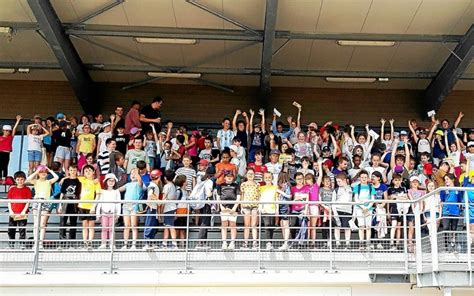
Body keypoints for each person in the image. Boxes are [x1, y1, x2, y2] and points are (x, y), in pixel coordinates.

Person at [26, 165, 59, 249]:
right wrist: (37, 171)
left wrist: (49, 169)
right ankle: (35, 243)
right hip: (37, 201)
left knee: (43, 223)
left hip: (46, 202)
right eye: (42, 172)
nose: (43, 173)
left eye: (44, 172)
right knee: (36, 223)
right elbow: (28, 179)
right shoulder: (36, 181)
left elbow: (56, 177)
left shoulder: (48, 181)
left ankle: (40, 243)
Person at [78, 165, 102, 249]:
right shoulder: (82, 179)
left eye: (90, 170)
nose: (88, 172)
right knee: (84, 225)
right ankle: (85, 242)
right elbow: (73, 176)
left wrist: (93, 206)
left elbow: (98, 195)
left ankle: (90, 242)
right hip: (82, 206)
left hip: (91, 206)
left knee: (91, 225)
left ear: (93, 172)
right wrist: (63, 179)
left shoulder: (96, 182)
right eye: (86, 171)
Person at [118, 168, 142, 250]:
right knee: (126, 225)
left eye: (135, 173)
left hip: (134, 206)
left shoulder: (138, 184)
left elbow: (140, 182)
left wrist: (137, 174)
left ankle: (134, 244)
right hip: (125, 206)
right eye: (132, 173)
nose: (133, 175)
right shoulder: (127, 184)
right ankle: (125, 244)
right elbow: (118, 190)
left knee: (134, 225)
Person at [58, 165, 82, 248]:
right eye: (71, 170)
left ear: (77, 171)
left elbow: (80, 193)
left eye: (74, 170)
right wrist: (60, 205)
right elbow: (62, 193)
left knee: (73, 223)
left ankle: (72, 242)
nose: (72, 172)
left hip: (74, 202)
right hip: (65, 201)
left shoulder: (79, 181)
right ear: (68, 171)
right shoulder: (66, 180)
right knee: (63, 222)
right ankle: (62, 243)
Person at [96, 173, 121, 249]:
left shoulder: (116, 191)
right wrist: (98, 213)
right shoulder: (103, 191)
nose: (111, 182)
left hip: (113, 213)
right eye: (109, 180)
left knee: (111, 229)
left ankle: (111, 244)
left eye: (113, 181)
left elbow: (118, 203)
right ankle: (103, 243)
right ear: (106, 181)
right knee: (104, 228)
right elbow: (100, 202)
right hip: (104, 212)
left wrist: (118, 213)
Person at [7, 171, 31, 249]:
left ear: (24, 180)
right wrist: (10, 211)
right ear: (15, 180)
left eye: (21, 179)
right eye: (18, 179)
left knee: (22, 229)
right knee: (11, 229)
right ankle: (11, 244)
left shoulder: (27, 189)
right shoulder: (12, 189)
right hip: (13, 213)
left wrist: (24, 211)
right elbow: (9, 201)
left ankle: (22, 244)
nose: (20, 181)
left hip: (23, 213)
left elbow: (28, 201)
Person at [352, 170, 376, 250]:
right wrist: (363, 207)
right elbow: (356, 199)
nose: (364, 179)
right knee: (361, 226)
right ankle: (361, 243)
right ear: (359, 178)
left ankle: (368, 243)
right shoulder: (357, 187)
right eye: (362, 177)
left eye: (365, 177)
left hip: (369, 209)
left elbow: (372, 199)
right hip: (359, 209)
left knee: (368, 226)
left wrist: (367, 207)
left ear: (368, 178)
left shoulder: (371, 187)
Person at [217, 171, 240, 250]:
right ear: (225, 177)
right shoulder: (220, 185)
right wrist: (221, 207)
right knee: (224, 225)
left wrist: (234, 208)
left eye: (231, 176)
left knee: (233, 225)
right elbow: (218, 197)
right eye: (227, 176)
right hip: (223, 208)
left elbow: (238, 197)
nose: (229, 177)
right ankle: (224, 242)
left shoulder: (236, 185)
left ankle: (232, 242)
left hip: (233, 208)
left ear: (233, 177)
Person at [440, 173, 463, 252]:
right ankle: (446, 247)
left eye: (447, 179)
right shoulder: (443, 189)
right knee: (446, 228)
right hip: (446, 211)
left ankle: (454, 245)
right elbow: (442, 199)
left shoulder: (457, 189)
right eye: (445, 179)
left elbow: (459, 200)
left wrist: (458, 207)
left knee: (454, 229)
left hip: (455, 212)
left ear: (452, 179)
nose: (446, 181)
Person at [239, 168, 260, 249]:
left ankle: (255, 243)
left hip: (255, 206)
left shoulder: (257, 184)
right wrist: (241, 206)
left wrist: (259, 206)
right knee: (246, 225)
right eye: (249, 173)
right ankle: (245, 243)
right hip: (246, 206)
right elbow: (242, 196)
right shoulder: (243, 184)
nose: (250, 175)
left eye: (252, 173)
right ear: (246, 175)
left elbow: (259, 196)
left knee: (254, 225)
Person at [332, 173, 353, 249]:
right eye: (337, 181)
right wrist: (334, 212)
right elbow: (333, 202)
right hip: (337, 211)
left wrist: (346, 187)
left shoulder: (350, 189)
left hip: (347, 211)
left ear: (345, 180)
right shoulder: (336, 190)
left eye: (339, 181)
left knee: (347, 227)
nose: (338, 183)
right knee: (337, 227)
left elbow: (350, 199)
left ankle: (348, 243)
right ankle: (338, 242)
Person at [143, 169, 162, 250]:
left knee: (154, 225)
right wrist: (158, 200)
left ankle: (150, 242)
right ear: (159, 177)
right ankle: (147, 243)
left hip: (153, 208)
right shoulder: (153, 185)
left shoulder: (152, 185)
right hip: (151, 208)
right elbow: (150, 195)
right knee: (150, 225)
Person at [259, 171, 279, 250]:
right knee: (267, 225)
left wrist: (277, 210)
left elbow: (276, 199)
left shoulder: (275, 187)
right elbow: (260, 199)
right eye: (266, 177)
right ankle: (268, 243)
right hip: (265, 209)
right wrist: (260, 208)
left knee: (271, 226)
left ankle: (271, 242)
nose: (267, 179)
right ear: (264, 178)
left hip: (273, 209)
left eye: (269, 177)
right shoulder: (261, 188)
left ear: (272, 178)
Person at [0, 115, 21, 180]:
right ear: (3, 131)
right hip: (0, 153)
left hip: (6, 153)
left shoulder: (10, 137)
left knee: (5, 167)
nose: (7, 132)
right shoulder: (0, 137)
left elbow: (14, 129)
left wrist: (18, 121)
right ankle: (0, 179)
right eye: (6, 131)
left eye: (9, 131)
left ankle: (4, 179)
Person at [161, 170, 178, 249]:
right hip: (172, 207)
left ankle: (174, 244)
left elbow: (164, 198)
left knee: (170, 226)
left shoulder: (166, 186)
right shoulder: (173, 186)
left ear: (165, 178)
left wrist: (160, 210)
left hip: (168, 208)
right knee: (167, 226)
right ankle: (164, 243)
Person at [277, 172, 292, 250]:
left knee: (285, 224)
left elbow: (289, 196)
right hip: (280, 206)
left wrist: (280, 192)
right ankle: (285, 242)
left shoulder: (287, 185)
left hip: (285, 206)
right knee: (282, 224)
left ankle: (286, 242)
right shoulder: (280, 186)